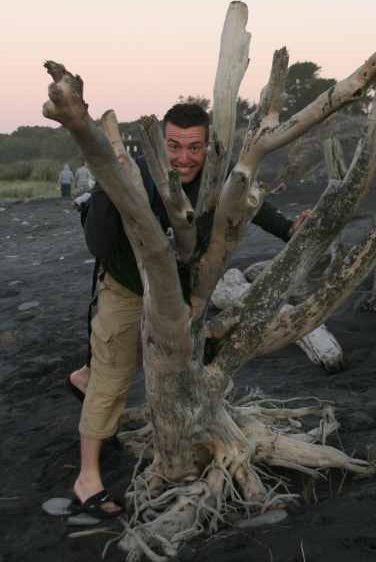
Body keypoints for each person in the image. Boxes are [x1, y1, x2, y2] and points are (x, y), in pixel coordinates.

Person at [67, 103, 309, 518]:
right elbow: (98, 243)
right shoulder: (136, 170)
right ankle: (87, 476)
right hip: (127, 286)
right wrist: (114, 184)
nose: (183, 158)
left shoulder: (217, 172)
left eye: (193, 147)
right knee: (114, 377)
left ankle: (86, 377)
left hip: (182, 292)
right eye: (174, 146)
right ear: (161, 142)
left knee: (183, 363)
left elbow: (248, 202)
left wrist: (289, 229)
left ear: (207, 144)